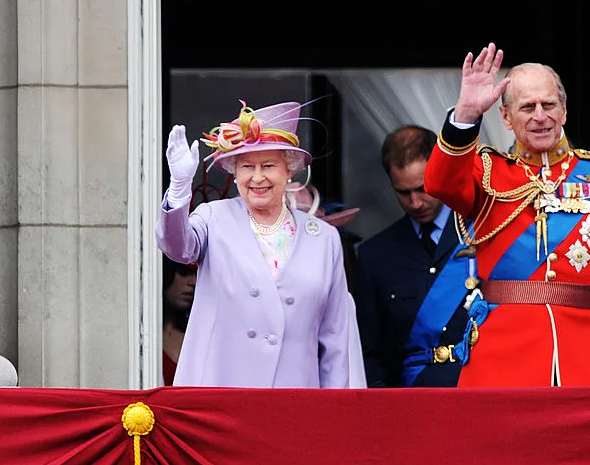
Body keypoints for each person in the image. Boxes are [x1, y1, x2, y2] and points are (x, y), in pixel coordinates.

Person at [423, 42, 590, 387]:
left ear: (564, 112)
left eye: (549, 105)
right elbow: (438, 183)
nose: (540, 116)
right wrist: (465, 115)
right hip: (502, 355)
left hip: (584, 354)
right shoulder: (488, 173)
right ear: (507, 118)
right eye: (527, 107)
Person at [157, 100, 366, 388]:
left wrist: (336, 413)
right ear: (234, 171)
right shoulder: (213, 218)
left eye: (268, 165)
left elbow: (337, 338)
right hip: (223, 392)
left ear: (289, 170)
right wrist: (178, 190)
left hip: (295, 398)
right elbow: (177, 248)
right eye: (247, 167)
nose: (257, 177)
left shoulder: (324, 238)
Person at [354, 125, 468, 387]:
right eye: (403, 193)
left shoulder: (481, 233)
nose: (416, 202)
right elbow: (370, 352)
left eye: (422, 188)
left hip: (478, 394)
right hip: (410, 403)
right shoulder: (375, 256)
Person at [162, 256, 196, 386]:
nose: (193, 281)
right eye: (183, 273)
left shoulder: (201, 335)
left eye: (196, 274)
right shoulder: (141, 336)